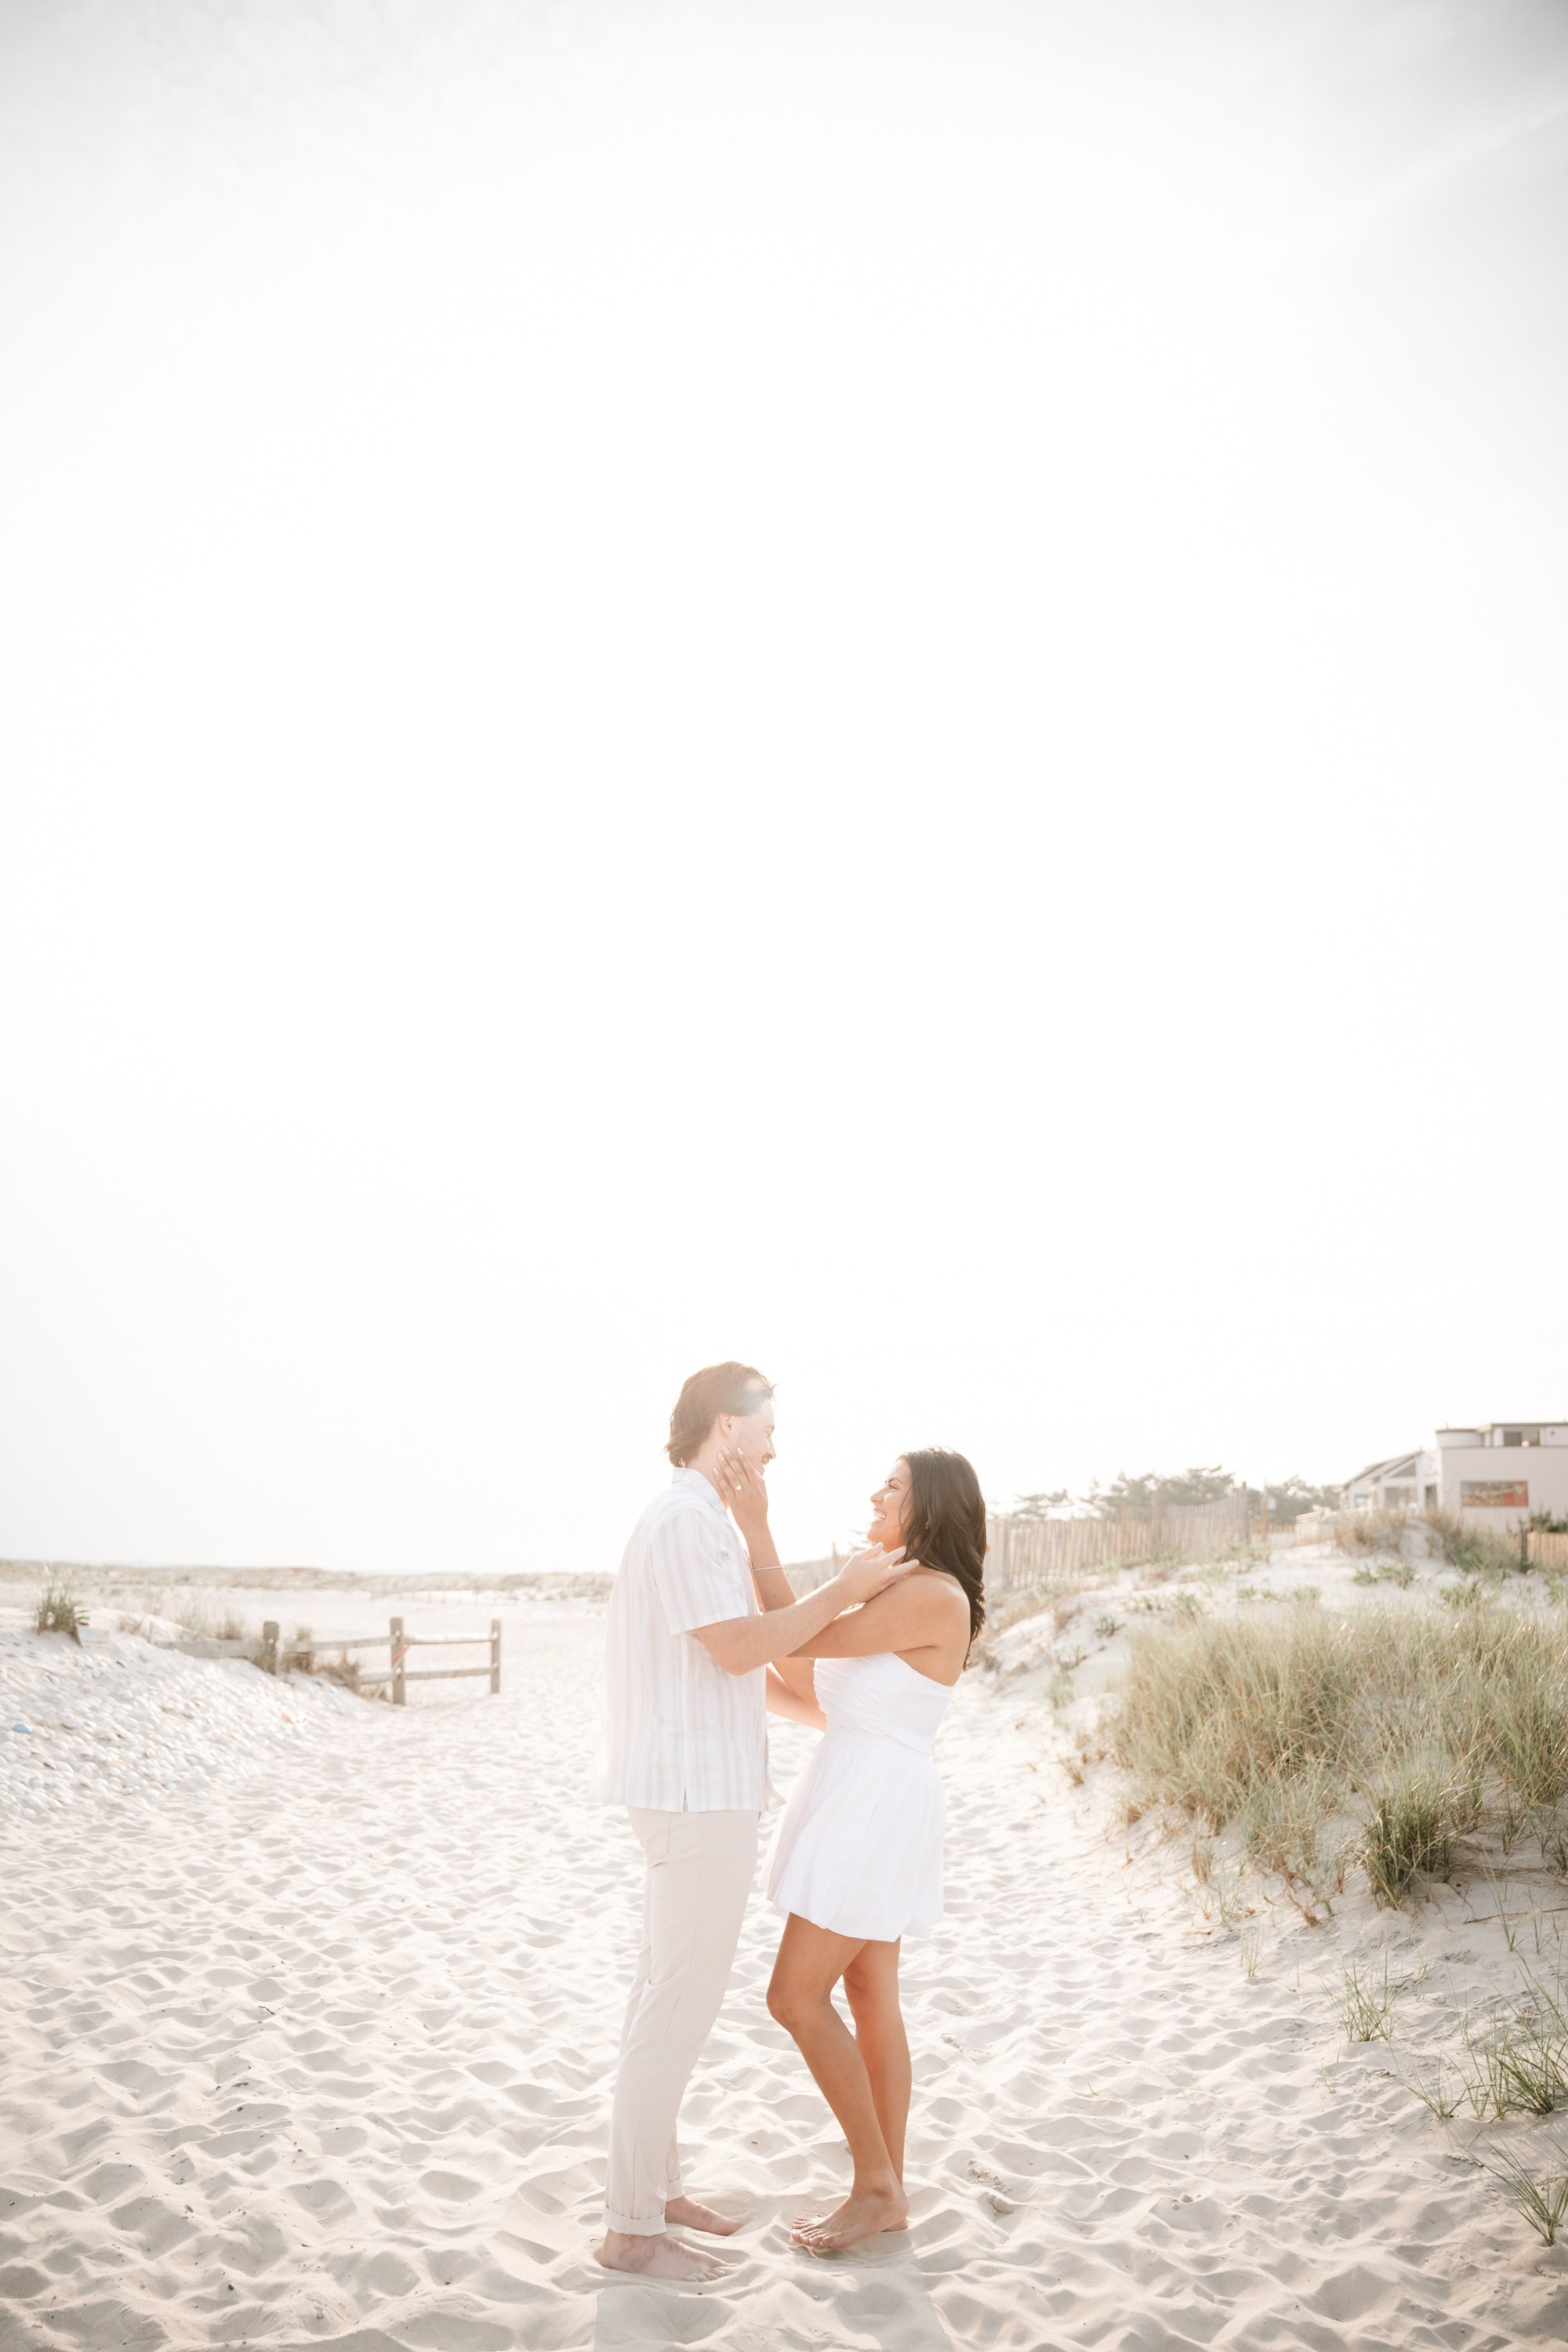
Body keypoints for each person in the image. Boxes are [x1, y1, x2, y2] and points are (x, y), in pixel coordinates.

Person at [591, 1362, 913, 2281]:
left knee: (660, 2000)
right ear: (726, 1425)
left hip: (692, 1791)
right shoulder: (688, 1522)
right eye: (767, 1426)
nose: (775, 1444)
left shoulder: (700, 1521)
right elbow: (737, 1648)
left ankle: (654, 2194)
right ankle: (629, 2233)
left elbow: (730, 1668)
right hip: (693, 1798)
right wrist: (842, 1590)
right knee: (674, 2012)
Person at [763, 1447, 985, 2254]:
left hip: (873, 1807)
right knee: (867, 1994)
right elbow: (805, 1681)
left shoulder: (929, 1594)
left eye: (891, 1487)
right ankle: (884, 2186)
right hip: (861, 1790)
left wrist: (754, 1529)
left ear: (930, 1506)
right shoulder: (903, 1588)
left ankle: (877, 2187)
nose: (873, 1495)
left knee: (793, 1998)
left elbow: (799, 1639)